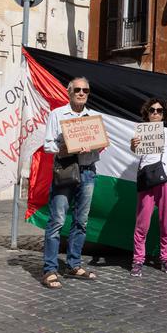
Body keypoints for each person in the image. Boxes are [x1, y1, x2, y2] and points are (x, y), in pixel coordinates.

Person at [41, 77, 102, 289]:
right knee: (57, 220)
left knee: (81, 221)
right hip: (65, 170)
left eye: (86, 90)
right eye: (77, 89)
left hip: (87, 172)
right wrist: (63, 148)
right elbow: (47, 144)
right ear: (69, 92)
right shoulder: (57, 115)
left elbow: (101, 143)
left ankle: (74, 264)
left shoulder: (94, 117)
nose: (82, 93)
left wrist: (97, 145)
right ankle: (50, 269)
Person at [129, 98, 167, 277]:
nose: (155, 113)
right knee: (142, 223)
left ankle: (166, 260)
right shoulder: (141, 130)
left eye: (159, 111)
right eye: (152, 110)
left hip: (166, 178)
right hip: (147, 179)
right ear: (147, 113)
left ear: (163, 114)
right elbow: (136, 152)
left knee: (166, 222)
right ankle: (138, 260)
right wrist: (133, 145)